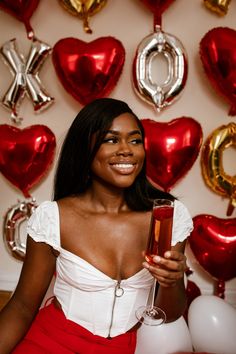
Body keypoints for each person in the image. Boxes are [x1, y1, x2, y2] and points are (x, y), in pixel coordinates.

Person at [0, 98, 193, 354]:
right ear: (85, 149)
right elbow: (23, 306)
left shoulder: (167, 216)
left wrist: (171, 281)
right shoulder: (53, 217)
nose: (126, 150)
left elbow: (169, 314)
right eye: (111, 139)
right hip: (50, 343)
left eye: (135, 140)